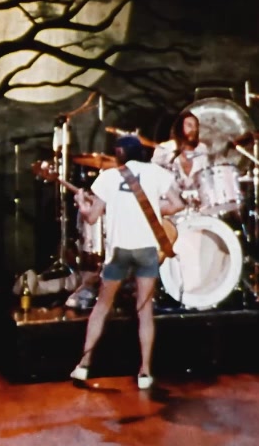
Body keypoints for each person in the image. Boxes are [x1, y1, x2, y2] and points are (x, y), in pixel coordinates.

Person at [70, 136, 186, 389]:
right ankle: (145, 373)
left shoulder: (108, 177)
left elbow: (91, 218)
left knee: (102, 306)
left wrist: (81, 202)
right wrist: (156, 208)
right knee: (144, 311)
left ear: (120, 153)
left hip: (119, 251)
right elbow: (177, 204)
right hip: (146, 250)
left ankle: (83, 366)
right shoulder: (157, 173)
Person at [151, 111, 210, 203]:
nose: (194, 129)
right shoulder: (165, 148)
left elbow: (205, 176)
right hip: (172, 202)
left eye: (196, 126)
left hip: (198, 202)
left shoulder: (202, 149)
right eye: (189, 125)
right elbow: (153, 173)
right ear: (179, 128)